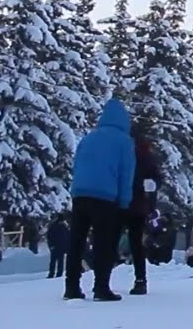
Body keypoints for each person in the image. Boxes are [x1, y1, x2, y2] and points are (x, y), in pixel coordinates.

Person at [65, 98, 135, 301]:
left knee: (76, 241)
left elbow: (76, 165)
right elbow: (125, 174)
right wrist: (124, 203)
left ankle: (71, 287)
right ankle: (101, 287)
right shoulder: (124, 141)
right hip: (105, 198)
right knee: (104, 243)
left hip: (80, 194)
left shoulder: (89, 138)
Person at [123, 130, 162, 295]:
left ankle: (103, 280)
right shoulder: (146, 156)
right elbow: (156, 179)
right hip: (139, 205)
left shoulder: (123, 151)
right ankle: (140, 280)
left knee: (111, 241)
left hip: (120, 202)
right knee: (136, 243)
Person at [46, 213, 70, 279]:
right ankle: (51, 274)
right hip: (55, 247)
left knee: (60, 261)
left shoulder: (64, 227)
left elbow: (67, 237)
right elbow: (49, 237)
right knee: (53, 261)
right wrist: (51, 246)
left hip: (62, 247)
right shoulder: (53, 227)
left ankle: (59, 274)